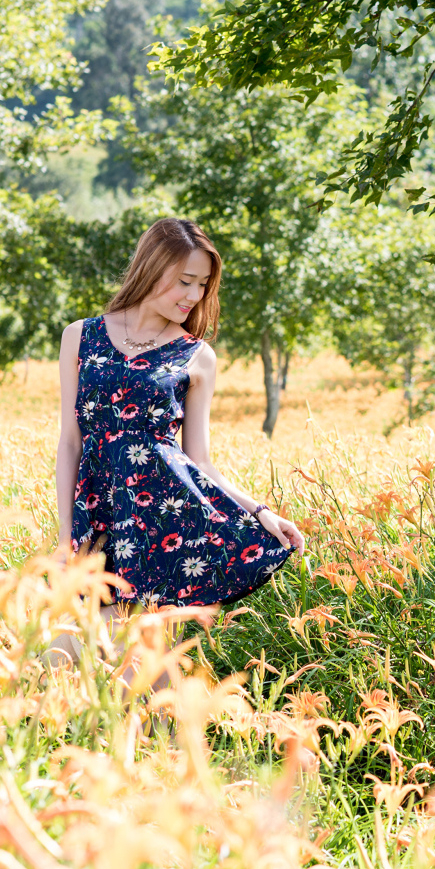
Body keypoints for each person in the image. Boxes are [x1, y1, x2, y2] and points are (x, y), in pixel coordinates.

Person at [54, 217, 305, 627]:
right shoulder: (80, 336)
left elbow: (199, 462)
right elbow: (69, 440)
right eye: (185, 280)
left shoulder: (197, 356)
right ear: (151, 268)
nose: (195, 294)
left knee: (117, 654)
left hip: (162, 524)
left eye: (203, 284)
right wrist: (67, 533)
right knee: (88, 653)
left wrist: (260, 513)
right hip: (96, 518)